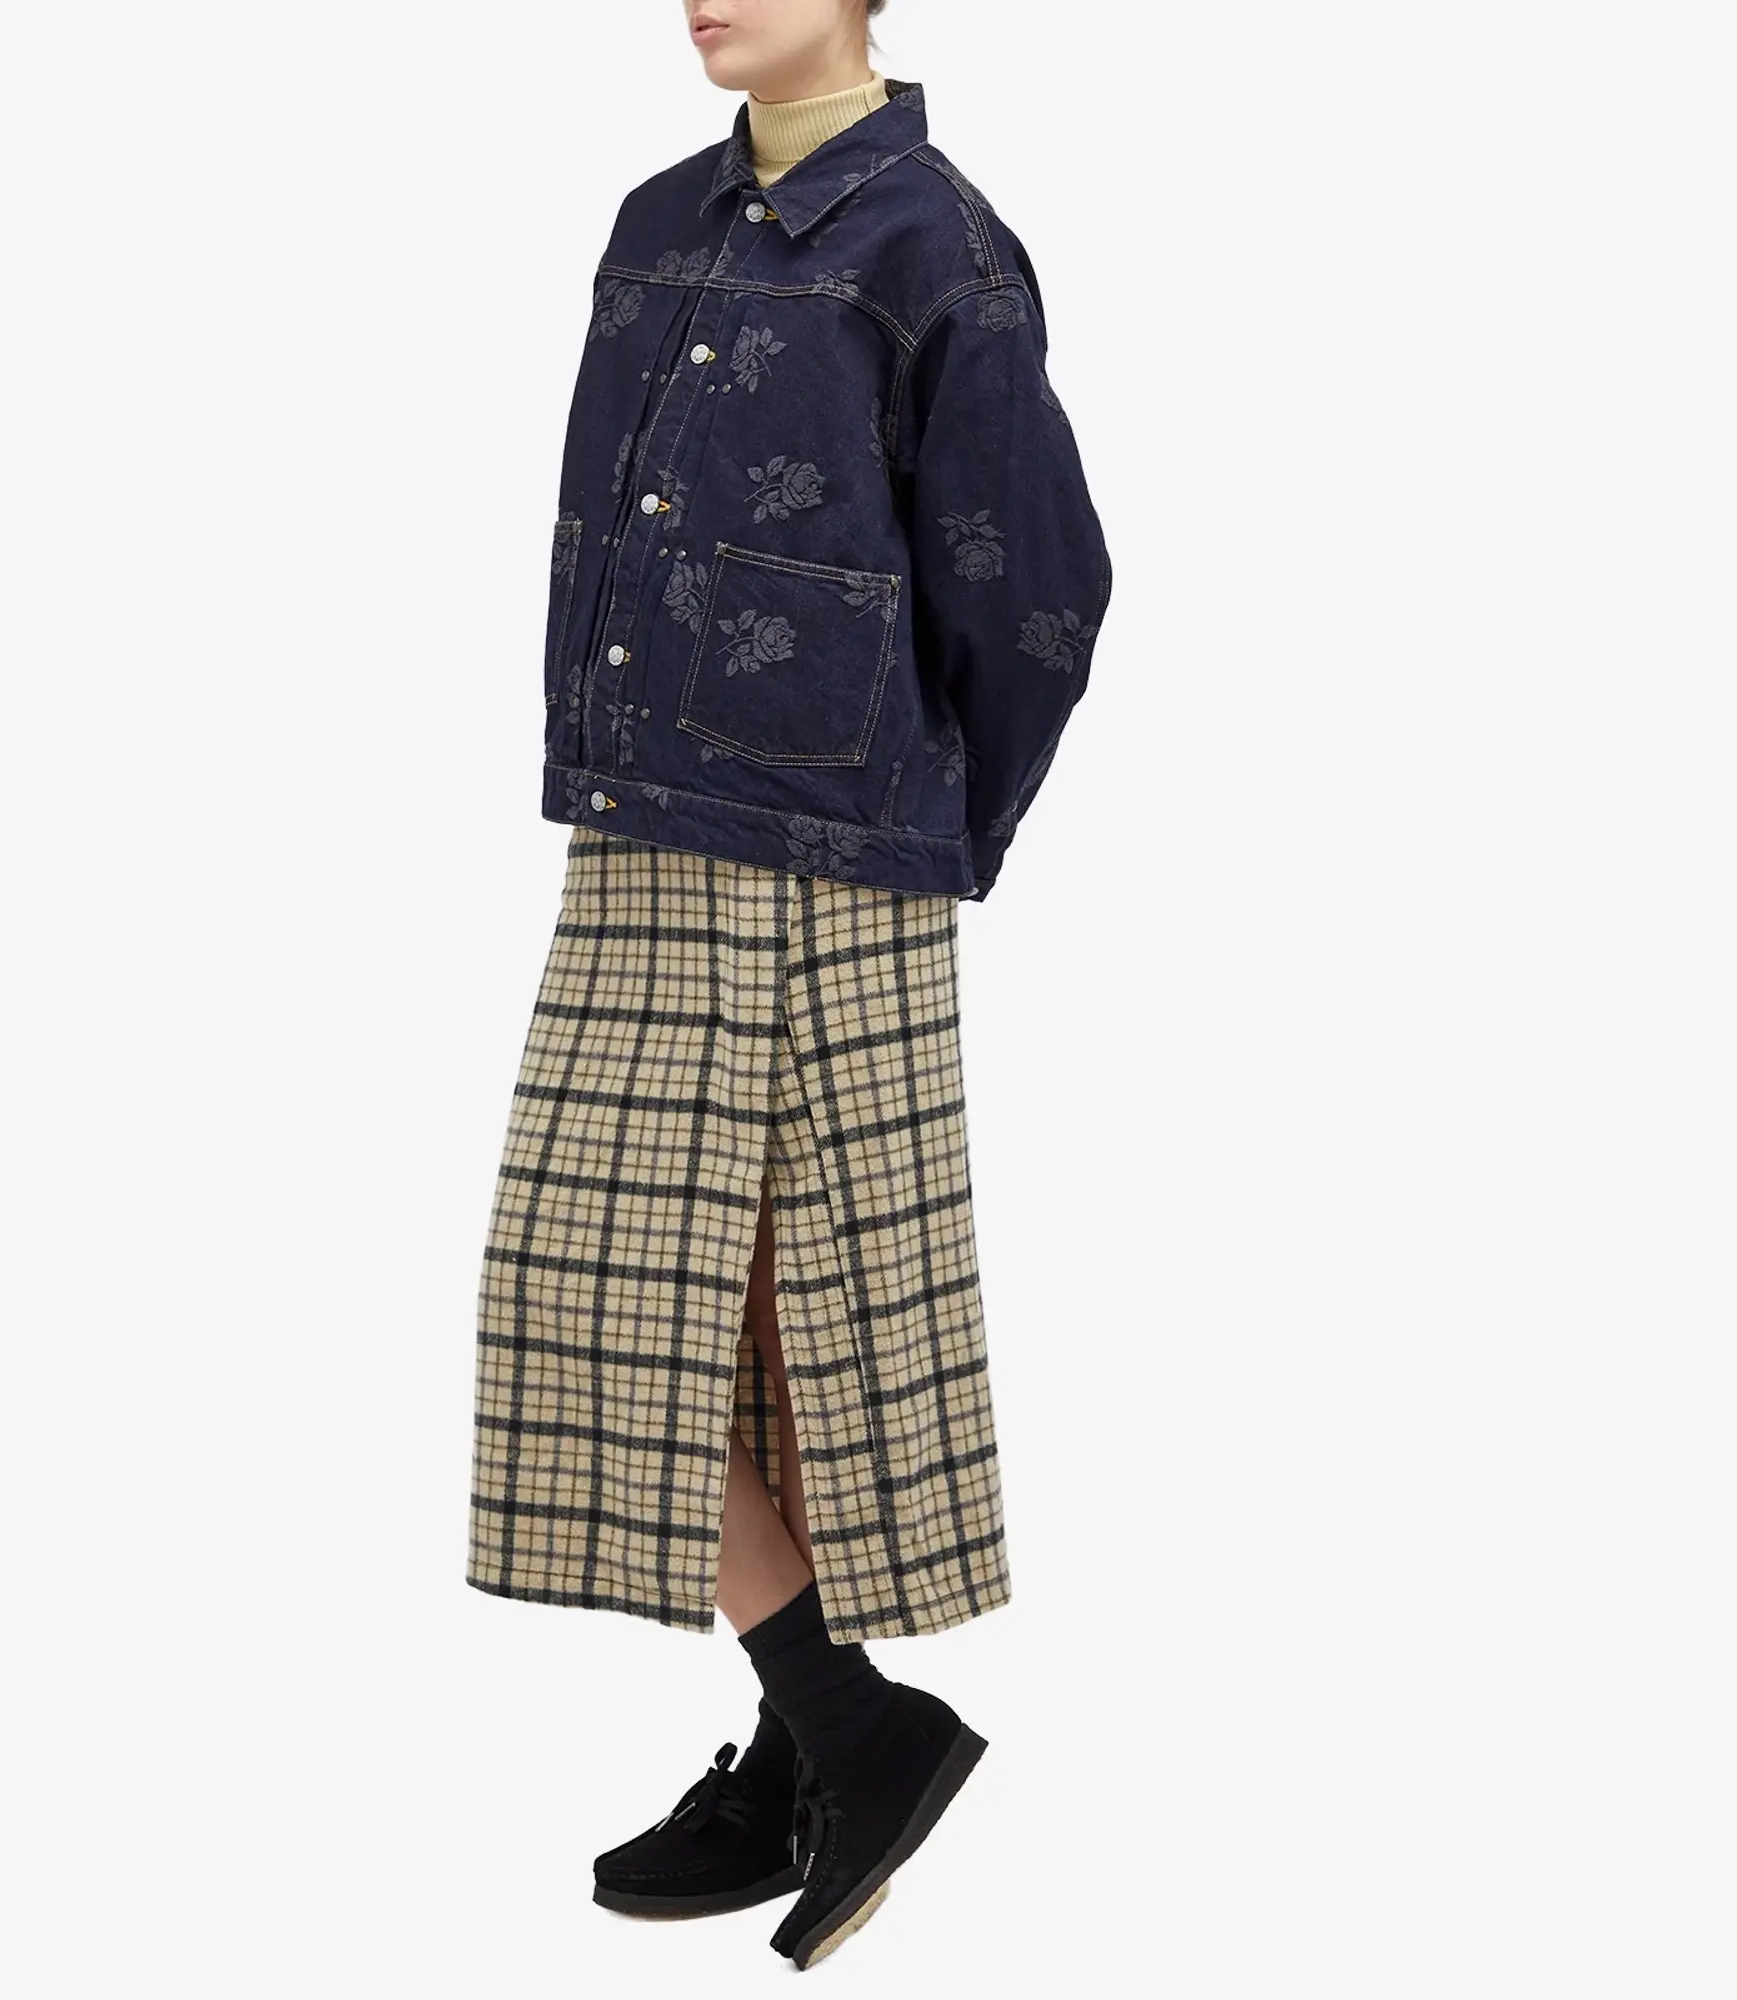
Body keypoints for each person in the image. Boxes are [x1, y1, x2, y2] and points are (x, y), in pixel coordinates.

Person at [465, 0, 1110, 1969]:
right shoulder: (656, 218)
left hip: (829, 846)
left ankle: (840, 1723)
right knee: (706, 1323)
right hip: (646, 821)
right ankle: (821, 1732)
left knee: (676, 1302)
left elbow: (1040, 589)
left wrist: (940, 823)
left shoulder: (937, 244)